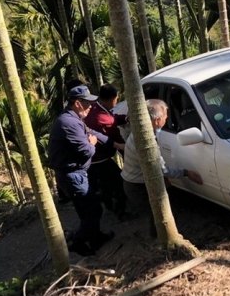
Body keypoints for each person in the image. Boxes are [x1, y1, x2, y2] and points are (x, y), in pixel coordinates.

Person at [46, 85, 117, 256]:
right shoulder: (69, 123)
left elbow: (91, 132)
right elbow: (87, 151)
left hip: (75, 174)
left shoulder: (72, 118)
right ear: (77, 103)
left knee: (88, 210)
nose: (91, 106)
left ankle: (95, 239)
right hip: (73, 176)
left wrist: (113, 144)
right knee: (92, 211)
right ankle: (76, 241)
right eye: (87, 103)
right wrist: (91, 143)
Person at [120, 99, 203, 237]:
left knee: (159, 213)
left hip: (136, 182)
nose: (167, 119)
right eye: (165, 116)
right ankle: (161, 241)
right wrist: (186, 173)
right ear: (157, 120)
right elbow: (161, 168)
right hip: (137, 187)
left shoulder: (142, 132)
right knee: (159, 215)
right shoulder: (145, 142)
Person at [83, 84, 130, 219]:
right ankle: (120, 212)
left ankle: (108, 203)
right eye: (117, 98)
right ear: (112, 99)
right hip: (99, 158)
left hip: (93, 157)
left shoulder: (95, 107)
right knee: (118, 182)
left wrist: (125, 118)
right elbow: (115, 135)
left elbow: (113, 117)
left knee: (105, 183)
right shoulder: (104, 118)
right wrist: (127, 151)